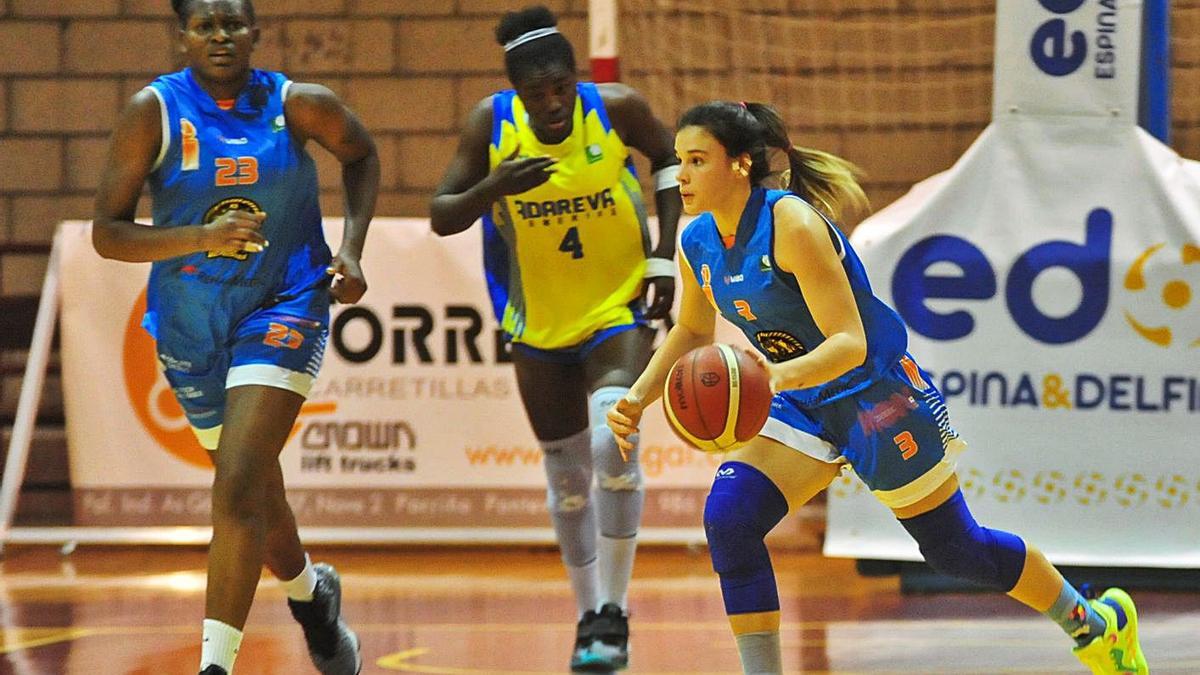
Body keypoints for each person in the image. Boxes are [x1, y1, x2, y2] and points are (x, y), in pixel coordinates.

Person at [606, 100, 1149, 675]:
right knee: (731, 522)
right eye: (679, 161)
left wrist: (771, 380)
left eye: (696, 160)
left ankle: (1093, 623)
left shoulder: (791, 224)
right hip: (800, 401)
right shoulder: (696, 241)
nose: (680, 175)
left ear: (739, 165)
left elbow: (850, 342)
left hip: (875, 393)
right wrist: (639, 397)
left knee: (955, 549)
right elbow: (691, 327)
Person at [91, 1, 378, 673]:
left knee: (239, 479)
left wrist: (353, 249)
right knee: (254, 490)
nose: (219, 37)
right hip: (191, 319)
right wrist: (198, 238)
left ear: (255, 32)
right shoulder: (152, 113)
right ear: (181, 35)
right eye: (204, 25)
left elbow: (361, 156)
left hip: (287, 299)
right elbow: (107, 233)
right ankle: (312, 596)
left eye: (231, 24)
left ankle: (215, 665)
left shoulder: (298, 103)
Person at [429, 5, 682, 671]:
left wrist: (662, 256)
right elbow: (441, 215)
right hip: (537, 323)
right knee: (569, 480)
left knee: (612, 439)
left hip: (615, 309)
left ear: (575, 79)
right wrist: (493, 185)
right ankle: (588, 615)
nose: (549, 102)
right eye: (534, 92)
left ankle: (616, 611)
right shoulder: (492, 125)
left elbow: (667, 159)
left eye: (559, 87)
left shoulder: (617, 108)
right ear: (515, 91)